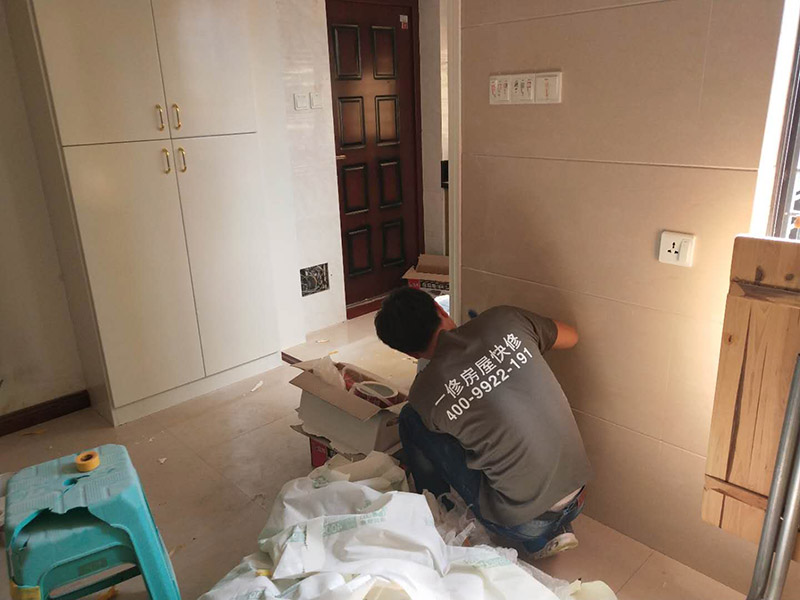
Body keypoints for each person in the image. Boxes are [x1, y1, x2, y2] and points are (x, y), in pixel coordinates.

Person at [374, 287, 591, 559]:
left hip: (524, 523)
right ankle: (556, 525)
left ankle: (442, 513)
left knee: (411, 418)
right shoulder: (504, 320)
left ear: (410, 353)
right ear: (440, 309)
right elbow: (571, 337)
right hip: (579, 493)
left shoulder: (424, 393)